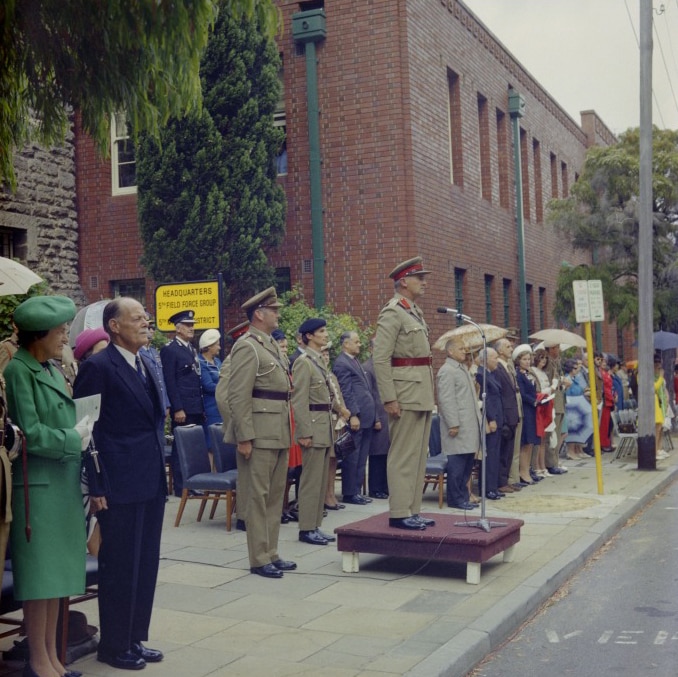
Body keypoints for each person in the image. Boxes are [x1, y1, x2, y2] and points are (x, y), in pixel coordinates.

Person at [74, 297, 167, 671]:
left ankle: (133, 637)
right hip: (118, 483)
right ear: (114, 326)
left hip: (149, 478)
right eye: (138, 318)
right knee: (119, 566)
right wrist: (96, 487)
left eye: (146, 317)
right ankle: (113, 646)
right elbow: (86, 432)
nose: (147, 323)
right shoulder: (97, 367)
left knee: (144, 564)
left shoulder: (144, 362)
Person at [5, 295, 90, 677]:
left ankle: (54, 656)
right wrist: (74, 438)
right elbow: (32, 434)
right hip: (37, 487)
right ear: (39, 335)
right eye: (59, 331)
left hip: (62, 484)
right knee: (40, 581)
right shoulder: (19, 370)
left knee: (58, 580)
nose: (64, 338)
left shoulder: (52, 368)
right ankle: (39, 661)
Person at [227, 288, 296, 578]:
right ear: (259, 314)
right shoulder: (248, 346)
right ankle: (258, 558)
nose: (278, 314)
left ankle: (271, 551)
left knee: (274, 496)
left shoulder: (266, 343)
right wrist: (244, 436)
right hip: (259, 432)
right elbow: (238, 394)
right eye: (274, 310)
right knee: (257, 497)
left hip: (277, 428)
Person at [373, 256, 435, 530]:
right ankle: (399, 512)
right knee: (403, 455)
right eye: (419, 278)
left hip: (419, 392)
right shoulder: (392, 312)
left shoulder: (413, 311)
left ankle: (413, 509)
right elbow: (380, 358)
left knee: (419, 455)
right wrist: (389, 397)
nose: (424, 282)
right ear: (404, 282)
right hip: (405, 393)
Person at [291, 318, 336, 545]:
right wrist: (305, 432)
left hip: (323, 427)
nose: (325, 334)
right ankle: (306, 528)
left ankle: (315, 525)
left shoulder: (318, 361)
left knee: (319, 481)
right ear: (309, 336)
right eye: (321, 331)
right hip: (313, 427)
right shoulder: (304, 363)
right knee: (310, 481)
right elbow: (299, 401)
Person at [161, 309, 204, 496]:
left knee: (193, 446)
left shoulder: (190, 349)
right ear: (178, 328)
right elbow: (170, 380)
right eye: (187, 325)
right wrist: (178, 407)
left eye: (192, 325)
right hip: (183, 408)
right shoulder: (170, 349)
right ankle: (181, 487)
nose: (191, 328)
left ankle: (192, 483)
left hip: (195, 405)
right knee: (181, 448)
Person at [437, 337, 482, 510]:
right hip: (458, 426)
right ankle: (455, 499)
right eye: (461, 349)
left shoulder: (461, 368)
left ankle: (463, 497)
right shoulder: (447, 370)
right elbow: (446, 399)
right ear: (450, 351)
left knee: (467, 464)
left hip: (468, 425)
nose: (465, 351)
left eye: (465, 349)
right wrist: (453, 423)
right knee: (457, 464)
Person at [333, 331, 376, 505]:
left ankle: (356, 490)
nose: (360, 344)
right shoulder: (342, 363)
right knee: (353, 455)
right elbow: (346, 392)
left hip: (367, 416)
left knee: (361, 456)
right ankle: (350, 492)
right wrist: (353, 415)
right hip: (356, 417)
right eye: (356, 342)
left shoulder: (354, 360)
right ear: (346, 344)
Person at [215, 320, 250, 531]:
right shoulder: (234, 359)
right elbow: (223, 396)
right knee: (247, 478)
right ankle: (244, 517)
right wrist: (236, 427)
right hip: (244, 429)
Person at [320, 342, 350, 511]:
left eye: (327, 355)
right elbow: (330, 399)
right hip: (328, 420)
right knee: (327, 460)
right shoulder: (320, 374)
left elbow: (340, 396)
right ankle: (325, 496)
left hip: (337, 422)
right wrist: (342, 410)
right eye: (323, 354)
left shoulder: (331, 375)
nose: (325, 357)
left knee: (333, 461)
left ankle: (331, 493)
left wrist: (344, 412)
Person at [362, 340, 389, 499]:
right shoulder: (368, 368)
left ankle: (385, 486)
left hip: (388, 416)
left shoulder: (383, 365)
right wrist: (376, 419)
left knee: (387, 454)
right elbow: (370, 396)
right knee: (377, 454)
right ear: (371, 349)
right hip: (378, 416)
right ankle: (375, 488)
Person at [476, 348, 503, 499]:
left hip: (498, 418)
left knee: (495, 454)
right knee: (489, 455)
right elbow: (485, 399)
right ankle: (487, 489)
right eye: (495, 358)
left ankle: (493, 486)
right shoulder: (481, 375)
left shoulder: (490, 374)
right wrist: (491, 419)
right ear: (485, 359)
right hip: (490, 420)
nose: (497, 361)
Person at [514, 344, 541, 486]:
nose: (527, 362)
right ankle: (522, 472)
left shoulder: (529, 374)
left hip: (533, 410)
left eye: (529, 359)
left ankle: (527, 469)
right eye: (524, 359)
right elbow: (522, 394)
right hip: (526, 409)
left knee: (531, 443)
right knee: (525, 443)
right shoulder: (518, 375)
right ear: (518, 361)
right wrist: (534, 401)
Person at [198, 328, 223, 452]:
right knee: (211, 445)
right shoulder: (200, 363)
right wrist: (225, 387)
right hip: (210, 409)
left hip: (221, 408)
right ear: (209, 346)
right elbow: (208, 385)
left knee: (221, 444)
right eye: (217, 344)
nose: (219, 347)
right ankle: (212, 471)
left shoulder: (218, 361)